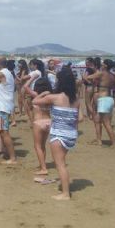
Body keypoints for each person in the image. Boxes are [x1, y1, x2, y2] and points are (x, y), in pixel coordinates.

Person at [33, 67, 82, 200]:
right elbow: (81, 118)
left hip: (59, 135)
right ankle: (65, 190)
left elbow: (35, 101)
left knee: (60, 164)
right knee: (62, 162)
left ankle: (65, 193)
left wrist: (44, 93)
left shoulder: (55, 97)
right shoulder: (76, 99)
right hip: (71, 135)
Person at [24, 77, 53, 176]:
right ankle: (42, 164)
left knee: (37, 146)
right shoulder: (50, 96)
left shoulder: (36, 95)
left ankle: (43, 168)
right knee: (43, 145)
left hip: (38, 121)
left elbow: (25, 87)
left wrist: (32, 77)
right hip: (48, 121)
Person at [86, 59, 115, 147]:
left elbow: (88, 77)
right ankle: (99, 141)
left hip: (103, 99)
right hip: (109, 98)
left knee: (106, 123)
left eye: (103, 64)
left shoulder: (102, 73)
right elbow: (114, 86)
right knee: (97, 120)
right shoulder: (112, 75)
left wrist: (93, 77)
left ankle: (114, 143)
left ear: (105, 65)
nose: (101, 65)